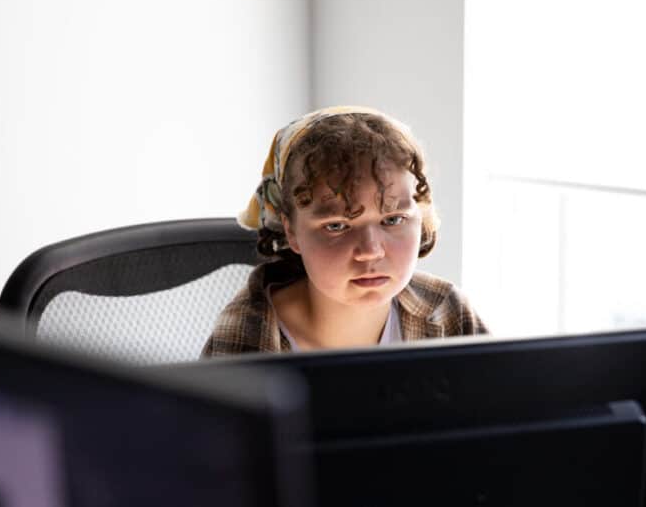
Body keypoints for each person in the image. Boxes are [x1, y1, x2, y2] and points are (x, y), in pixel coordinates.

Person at [201, 106, 487, 357]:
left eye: (393, 220)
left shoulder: (447, 313)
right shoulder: (247, 339)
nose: (371, 251)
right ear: (291, 232)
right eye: (336, 226)